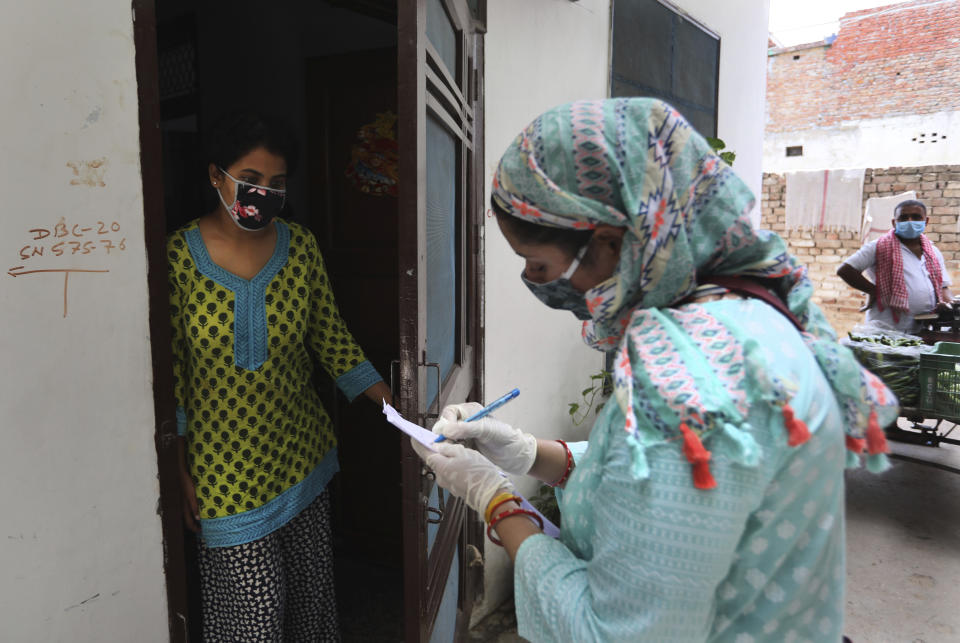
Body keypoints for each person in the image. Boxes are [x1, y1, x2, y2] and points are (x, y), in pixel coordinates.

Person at [410, 98, 897, 642]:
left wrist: (495, 499)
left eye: (540, 266)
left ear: (612, 242)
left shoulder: (692, 380)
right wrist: (533, 454)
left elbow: (610, 633)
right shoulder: (742, 316)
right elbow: (661, 485)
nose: (537, 283)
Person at [168, 111, 392, 642]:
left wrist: (399, 413)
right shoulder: (177, 257)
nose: (263, 193)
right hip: (222, 475)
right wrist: (178, 472)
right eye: (251, 180)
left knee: (311, 610)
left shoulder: (301, 248)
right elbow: (171, 377)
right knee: (254, 621)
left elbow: (332, 341)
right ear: (216, 176)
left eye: (276, 183)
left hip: (300, 456)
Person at [837, 199, 953, 334]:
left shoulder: (933, 251)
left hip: (923, 327)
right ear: (894, 222)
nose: (910, 221)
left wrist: (950, 304)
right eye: (903, 218)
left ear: (926, 221)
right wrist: (873, 290)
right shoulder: (878, 247)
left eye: (916, 217)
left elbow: (943, 288)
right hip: (887, 327)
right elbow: (845, 270)